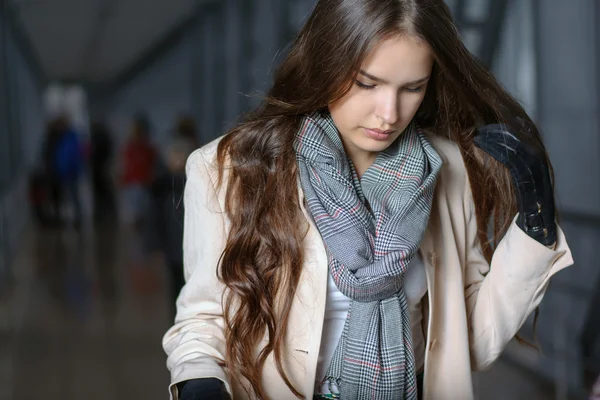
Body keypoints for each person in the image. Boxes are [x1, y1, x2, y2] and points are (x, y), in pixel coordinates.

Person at [162, 1, 574, 399]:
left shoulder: (446, 169)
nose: (389, 114)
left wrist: (533, 229)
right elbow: (203, 322)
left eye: (412, 88)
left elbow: (470, 343)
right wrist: (200, 382)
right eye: (366, 83)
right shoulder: (231, 168)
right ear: (326, 63)